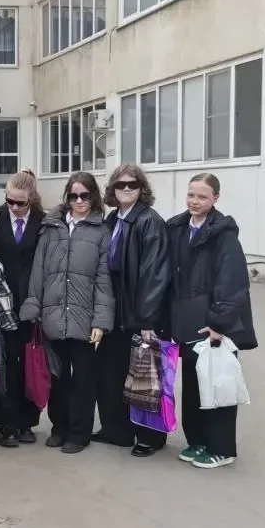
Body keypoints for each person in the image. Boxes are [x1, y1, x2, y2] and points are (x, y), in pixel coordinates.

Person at [166, 173, 256, 469]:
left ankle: (221, 449)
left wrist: (219, 323)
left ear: (216, 198)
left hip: (213, 324)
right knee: (193, 385)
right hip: (188, 322)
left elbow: (233, 283)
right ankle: (198, 441)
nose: (195, 201)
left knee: (218, 385)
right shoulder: (178, 228)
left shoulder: (224, 235)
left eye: (202, 197)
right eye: (191, 195)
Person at [20, 172, 113, 455]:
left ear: (93, 197)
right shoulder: (51, 228)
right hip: (53, 315)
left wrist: (100, 320)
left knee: (83, 379)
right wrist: (34, 306)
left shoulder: (101, 232)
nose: (79, 201)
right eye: (74, 195)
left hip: (84, 318)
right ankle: (59, 428)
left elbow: (103, 279)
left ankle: (79, 433)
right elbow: (38, 270)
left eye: (85, 195)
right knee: (57, 377)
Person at [94, 164, 171, 457]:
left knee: (145, 375)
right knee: (110, 373)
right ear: (112, 190)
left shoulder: (150, 222)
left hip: (138, 312)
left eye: (133, 184)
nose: (126, 189)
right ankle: (117, 430)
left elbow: (155, 273)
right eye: (120, 185)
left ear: (142, 189)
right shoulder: (113, 219)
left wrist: (147, 319)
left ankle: (149, 436)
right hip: (114, 310)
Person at [0, 170, 45, 448]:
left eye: (21, 202)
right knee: (2, 363)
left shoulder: (42, 222)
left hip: (29, 303)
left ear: (32, 199)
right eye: (10, 201)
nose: (15, 207)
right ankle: (4, 423)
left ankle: (27, 421)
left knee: (27, 361)